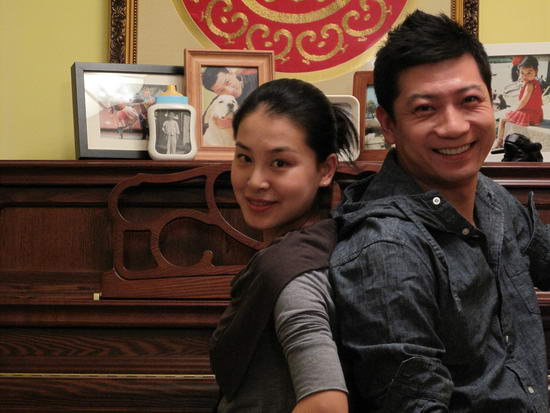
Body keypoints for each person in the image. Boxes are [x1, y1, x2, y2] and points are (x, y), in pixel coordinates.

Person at [329, 10, 550, 412]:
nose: (454, 127)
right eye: (425, 109)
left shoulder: (489, 196)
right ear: (389, 125)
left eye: (470, 101)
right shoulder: (387, 249)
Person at [209, 78, 358, 412]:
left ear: (326, 170)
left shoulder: (292, 277)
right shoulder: (322, 241)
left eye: (279, 163)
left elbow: (326, 406)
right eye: (244, 158)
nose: (255, 181)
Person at [496, 55, 544, 147]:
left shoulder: (529, 85)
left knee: (502, 119)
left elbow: (523, 102)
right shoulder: (535, 83)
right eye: (522, 73)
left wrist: (514, 110)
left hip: (527, 114)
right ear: (519, 72)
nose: (525, 76)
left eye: (529, 73)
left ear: (536, 72)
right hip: (536, 112)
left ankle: (499, 141)